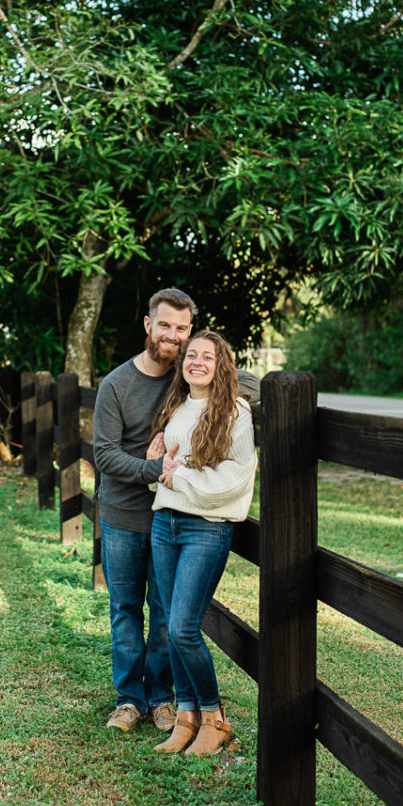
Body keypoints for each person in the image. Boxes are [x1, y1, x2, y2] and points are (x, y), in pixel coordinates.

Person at [93, 289, 259, 733]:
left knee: (167, 613)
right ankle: (129, 699)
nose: (172, 335)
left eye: (181, 329)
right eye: (164, 325)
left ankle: (164, 698)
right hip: (124, 516)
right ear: (148, 325)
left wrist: (251, 388)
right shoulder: (116, 385)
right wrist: (154, 467)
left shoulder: (188, 375)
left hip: (173, 514)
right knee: (126, 608)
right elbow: (105, 455)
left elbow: (250, 384)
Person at [147, 329, 257, 755]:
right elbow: (165, 460)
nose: (196, 362)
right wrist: (157, 459)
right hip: (165, 524)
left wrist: (181, 476)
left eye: (206, 357)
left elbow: (236, 478)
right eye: (191, 355)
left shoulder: (235, 412)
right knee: (172, 627)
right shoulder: (176, 407)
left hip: (205, 528)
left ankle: (215, 718)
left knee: (183, 627)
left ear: (220, 365)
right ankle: (187, 716)